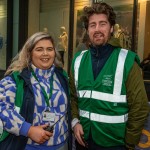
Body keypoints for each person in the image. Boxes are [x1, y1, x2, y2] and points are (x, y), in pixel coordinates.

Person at [70, 2, 149, 150]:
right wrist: (75, 122)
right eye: (92, 25)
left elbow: (140, 107)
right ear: (87, 30)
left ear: (111, 27)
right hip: (83, 141)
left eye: (102, 24)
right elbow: (73, 97)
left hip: (115, 144)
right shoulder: (78, 60)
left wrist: (129, 143)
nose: (97, 29)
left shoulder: (127, 61)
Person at [0, 32, 72, 150]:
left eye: (49, 49)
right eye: (39, 49)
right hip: (28, 146)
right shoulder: (16, 79)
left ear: (54, 53)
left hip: (62, 145)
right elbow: (2, 109)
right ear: (29, 53)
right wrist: (28, 130)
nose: (45, 53)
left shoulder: (62, 76)